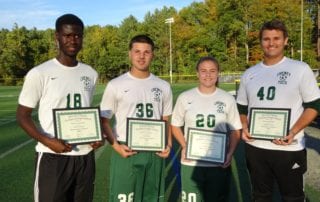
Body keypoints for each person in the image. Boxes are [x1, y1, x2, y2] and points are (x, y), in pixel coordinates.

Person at [16, 14, 103, 202]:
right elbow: (22, 115)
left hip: (84, 156)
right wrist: (48, 141)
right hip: (52, 157)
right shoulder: (39, 73)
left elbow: (85, 110)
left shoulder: (91, 73)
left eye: (78, 36)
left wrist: (96, 136)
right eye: (67, 35)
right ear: (57, 36)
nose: (73, 40)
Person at [237, 19, 320, 202]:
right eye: (266, 39)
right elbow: (242, 107)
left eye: (276, 38)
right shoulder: (249, 74)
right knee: (260, 197)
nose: (271, 43)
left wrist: (293, 131)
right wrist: (244, 125)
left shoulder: (300, 69)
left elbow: (313, 106)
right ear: (260, 42)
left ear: (286, 40)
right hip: (256, 147)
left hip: (289, 147)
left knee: (293, 198)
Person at [100, 34, 173, 202]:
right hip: (126, 150)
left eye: (146, 52)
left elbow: (165, 119)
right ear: (130, 54)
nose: (141, 56)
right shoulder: (115, 85)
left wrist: (168, 143)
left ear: (153, 55)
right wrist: (116, 147)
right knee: (123, 198)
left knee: (151, 198)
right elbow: (104, 120)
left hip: (154, 151)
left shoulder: (163, 86)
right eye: (137, 51)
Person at [171, 56, 242, 202]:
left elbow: (235, 130)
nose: (208, 75)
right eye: (203, 71)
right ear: (197, 73)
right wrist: (185, 146)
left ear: (218, 74)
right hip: (191, 162)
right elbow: (175, 125)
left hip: (218, 163)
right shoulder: (185, 97)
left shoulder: (227, 99)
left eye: (212, 71)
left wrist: (230, 153)